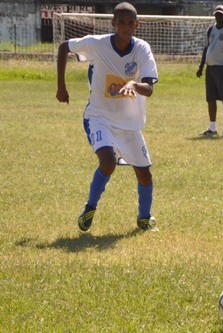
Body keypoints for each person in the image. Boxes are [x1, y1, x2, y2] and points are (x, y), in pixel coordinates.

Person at [56, 2, 159, 232]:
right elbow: (64, 47)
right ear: (113, 23)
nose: (125, 27)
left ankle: (144, 217)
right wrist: (61, 87)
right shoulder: (97, 44)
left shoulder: (142, 48)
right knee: (108, 161)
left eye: (130, 23)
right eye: (121, 22)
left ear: (136, 25)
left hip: (129, 124)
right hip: (98, 116)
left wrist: (134, 84)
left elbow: (150, 89)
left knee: (144, 174)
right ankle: (90, 208)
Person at [196, 4, 223, 137]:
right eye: (217, 14)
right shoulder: (211, 29)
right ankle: (212, 128)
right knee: (211, 99)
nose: (218, 16)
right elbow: (206, 49)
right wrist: (201, 67)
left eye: (221, 14)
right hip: (211, 68)